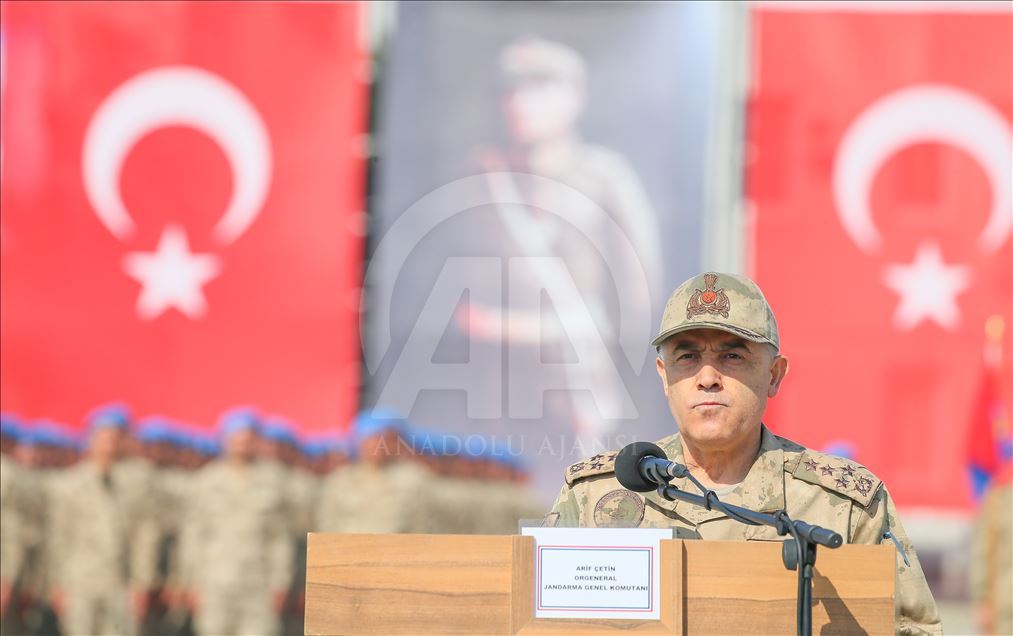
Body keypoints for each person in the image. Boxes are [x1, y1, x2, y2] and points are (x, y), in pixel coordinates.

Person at [546, 272, 941, 635]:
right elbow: (534, 619)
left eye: (732, 356)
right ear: (664, 376)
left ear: (774, 375)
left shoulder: (842, 505)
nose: (707, 378)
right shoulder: (596, 494)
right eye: (688, 357)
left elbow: (914, 629)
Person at [178, 408, 291, 636]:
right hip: (214, 582)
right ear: (224, 440)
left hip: (258, 584)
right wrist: (190, 582)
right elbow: (194, 535)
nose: (242, 445)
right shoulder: (207, 481)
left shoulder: (272, 482)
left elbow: (279, 537)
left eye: (248, 439)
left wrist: (280, 582)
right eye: (236, 438)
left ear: (257, 442)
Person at [48, 405, 158, 636]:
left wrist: (142, 582)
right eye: (103, 437)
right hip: (79, 579)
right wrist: (56, 583)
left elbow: (145, 535)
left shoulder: (139, 481)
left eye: (115, 438)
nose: (109, 444)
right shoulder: (70, 483)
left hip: (121, 581)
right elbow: (59, 536)